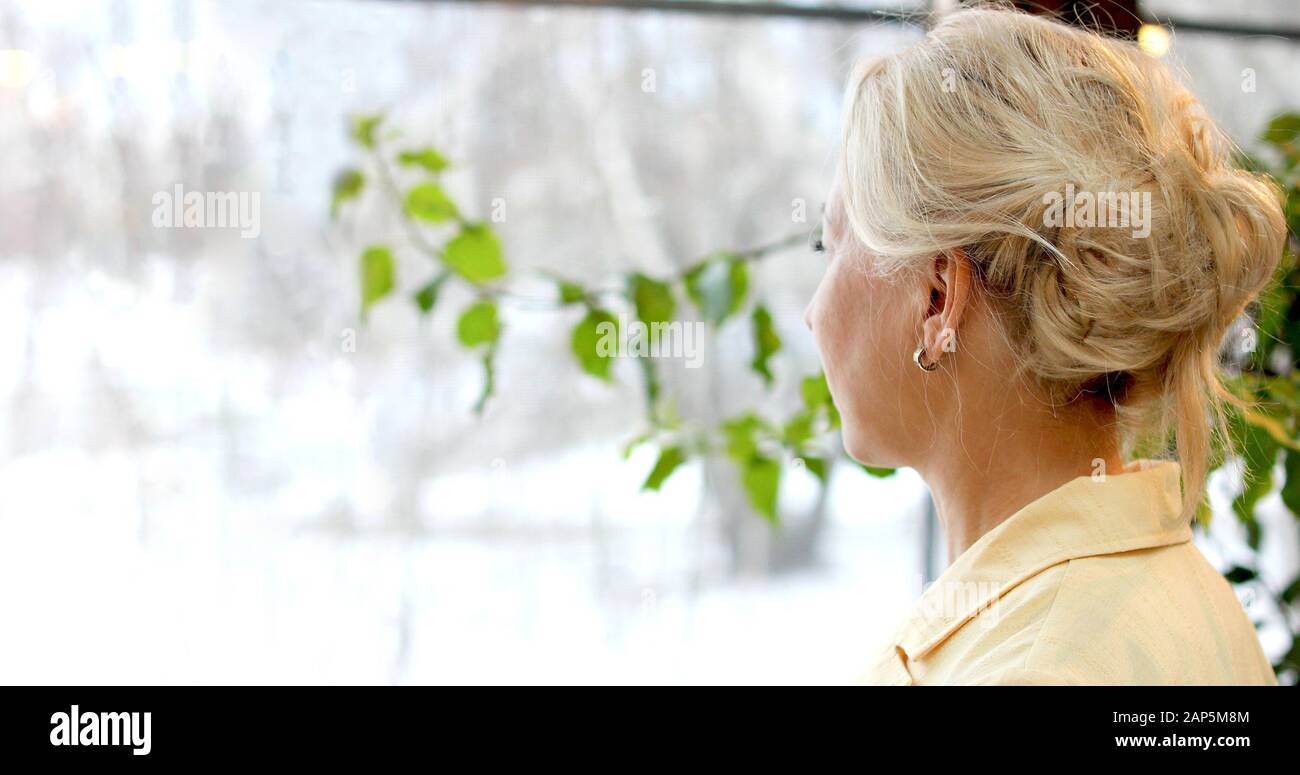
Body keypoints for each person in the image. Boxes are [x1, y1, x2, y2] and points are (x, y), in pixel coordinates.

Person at [804, 6, 1283, 685]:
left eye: (830, 247)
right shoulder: (1180, 594)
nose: (810, 313)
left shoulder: (1032, 668)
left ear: (937, 297)